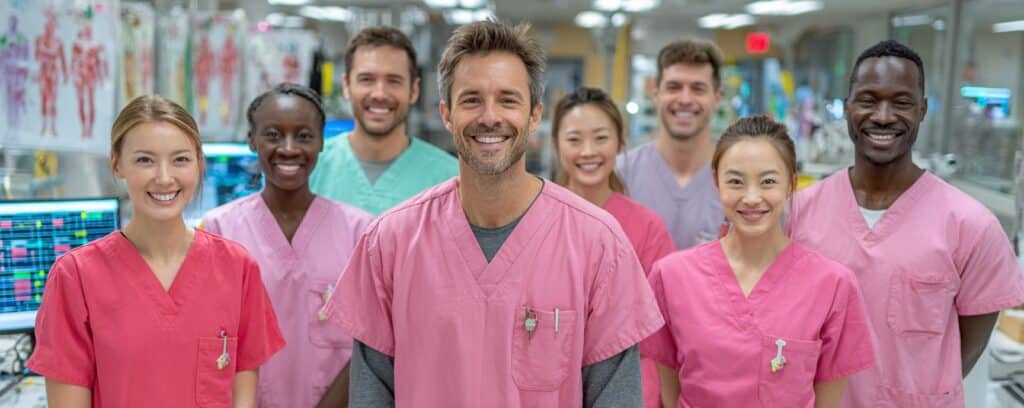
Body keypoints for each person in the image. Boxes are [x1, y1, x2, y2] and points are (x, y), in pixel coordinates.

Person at [324, 20, 664, 407]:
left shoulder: (597, 242)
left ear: (535, 115)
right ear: (446, 114)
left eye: (507, 99)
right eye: (471, 99)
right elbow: (370, 395)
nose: (490, 116)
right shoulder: (390, 242)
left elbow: (616, 397)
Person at [788, 40, 1024, 407]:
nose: (883, 116)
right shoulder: (797, 213)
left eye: (901, 102)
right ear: (848, 108)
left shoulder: (971, 226)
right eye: (868, 100)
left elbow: (966, 350)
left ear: (923, 110)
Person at [27, 95, 285, 407]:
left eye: (180, 159)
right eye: (145, 160)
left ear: (199, 164)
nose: (164, 178)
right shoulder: (76, 276)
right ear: (117, 164)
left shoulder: (237, 268)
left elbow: (242, 395)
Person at [642, 116, 874, 407]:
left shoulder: (833, 285)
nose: (752, 198)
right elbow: (670, 393)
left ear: (791, 184)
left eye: (768, 182)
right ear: (716, 181)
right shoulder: (671, 277)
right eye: (736, 181)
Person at [202, 84, 373, 408]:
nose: (289, 148)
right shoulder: (218, 230)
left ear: (322, 142)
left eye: (304, 136)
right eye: (273, 134)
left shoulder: (360, 231)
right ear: (252, 140)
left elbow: (370, 345)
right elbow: (213, 344)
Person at [551, 86, 676, 408]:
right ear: (556, 145)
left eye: (601, 138)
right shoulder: (535, 217)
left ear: (621, 142)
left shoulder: (647, 228)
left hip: (630, 388)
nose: (588, 151)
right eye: (574, 139)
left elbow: (661, 335)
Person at [309, 26, 457, 215]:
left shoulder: (449, 179)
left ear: (414, 90)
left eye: (394, 80)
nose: (379, 94)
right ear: (346, 86)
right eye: (367, 79)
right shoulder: (311, 169)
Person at [616, 38, 725, 249]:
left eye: (698, 89)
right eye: (674, 87)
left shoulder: (737, 178)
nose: (685, 99)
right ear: (656, 94)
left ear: (717, 98)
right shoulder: (620, 175)